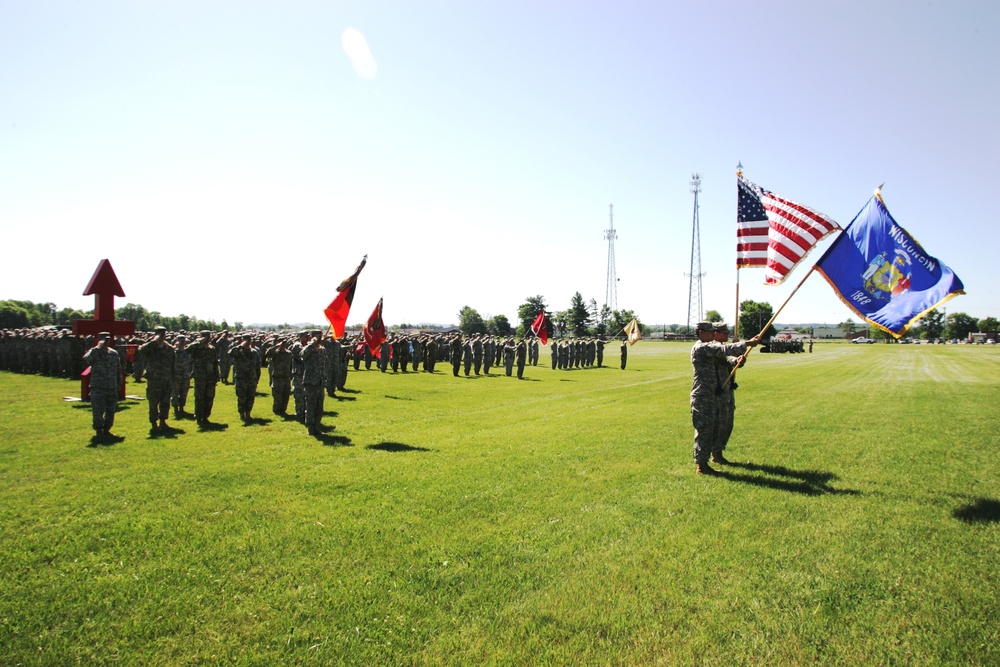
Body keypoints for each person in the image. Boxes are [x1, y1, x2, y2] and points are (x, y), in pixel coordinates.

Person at [690, 321, 758, 475]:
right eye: (710, 332)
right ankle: (702, 465)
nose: (713, 334)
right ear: (701, 332)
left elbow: (726, 358)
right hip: (703, 396)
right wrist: (747, 343)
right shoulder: (701, 347)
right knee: (705, 430)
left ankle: (715, 456)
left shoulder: (711, 348)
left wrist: (737, 360)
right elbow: (723, 349)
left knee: (718, 427)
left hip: (715, 395)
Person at [712, 323, 743, 464]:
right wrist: (737, 351)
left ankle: (718, 453)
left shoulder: (723, 347)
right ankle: (714, 454)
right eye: (724, 332)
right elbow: (724, 356)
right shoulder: (712, 347)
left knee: (727, 424)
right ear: (715, 333)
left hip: (727, 390)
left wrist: (738, 359)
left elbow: (730, 360)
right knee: (718, 424)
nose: (727, 335)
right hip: (717, 392)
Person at [83, 332, 121, 437]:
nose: (106, 341)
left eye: (108, 339)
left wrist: (119, 383)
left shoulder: (113, 353)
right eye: (104, 339)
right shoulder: (94, 352)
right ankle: (98, 430)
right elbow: (87, 359)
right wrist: (98, 348)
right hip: (98, 386)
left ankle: (107, 429)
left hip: (111, 386)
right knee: (98, 410)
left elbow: (118, 369)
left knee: (111, 410)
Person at [138, 326, 176, 430]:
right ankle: (154, 423)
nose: (162, 336)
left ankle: (163, 422)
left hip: (166, 379)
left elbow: (173, 364)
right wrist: (154, 341)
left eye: (163, 334)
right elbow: (141, 350)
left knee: (165, 402)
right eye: (160, 334)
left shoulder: (169, 348)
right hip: (154, 380)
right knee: (153, 403)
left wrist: (173, 378)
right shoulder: (151, 347)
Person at [186, 330, 220, 426]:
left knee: (209, 398)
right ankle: (199, 417)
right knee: (199, 398)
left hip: (210, 377)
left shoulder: (212, 349)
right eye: (204, 336)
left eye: (207, 336)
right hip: (200, 377)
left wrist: (217, 376)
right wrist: (199, 341)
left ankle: (205, 417)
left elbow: (215, 363)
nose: (206, 338)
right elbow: (187, 350)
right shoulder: (197, 348)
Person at [300, 330, 328, 436]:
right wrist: (313, 343)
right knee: (311, 406)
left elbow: (324, 364)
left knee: (319, 407)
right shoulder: (308, 348)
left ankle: (317, 426)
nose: (320, 338)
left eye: (321, 336)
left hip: (320, 382)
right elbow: (302, 355)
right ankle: (310, 429)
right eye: (318, 336)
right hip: (310, 382)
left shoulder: (322, 350)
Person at [229, 333, 261, 422]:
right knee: (241, 397)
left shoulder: (254, 352)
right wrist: (240, 346)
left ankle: (248, 413)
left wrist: (256, 378)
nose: (247, 342)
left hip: (252, 379)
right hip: (241, 379)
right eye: (245, 340)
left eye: (248, 340)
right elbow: (230, 353)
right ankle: (241, 414)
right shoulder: (238, 351)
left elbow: (258, 367)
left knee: (250, 397)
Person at [172, 334, 193, 419]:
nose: (183, 343)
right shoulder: (173, 352)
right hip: (176, 375)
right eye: (181, 341)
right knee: (175, 393)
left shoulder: (187, 352)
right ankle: (176, 408)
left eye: (184, 341)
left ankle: (182, 408)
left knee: (184, 392)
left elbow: (191, 363)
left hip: (186, 375)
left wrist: (191, 372)